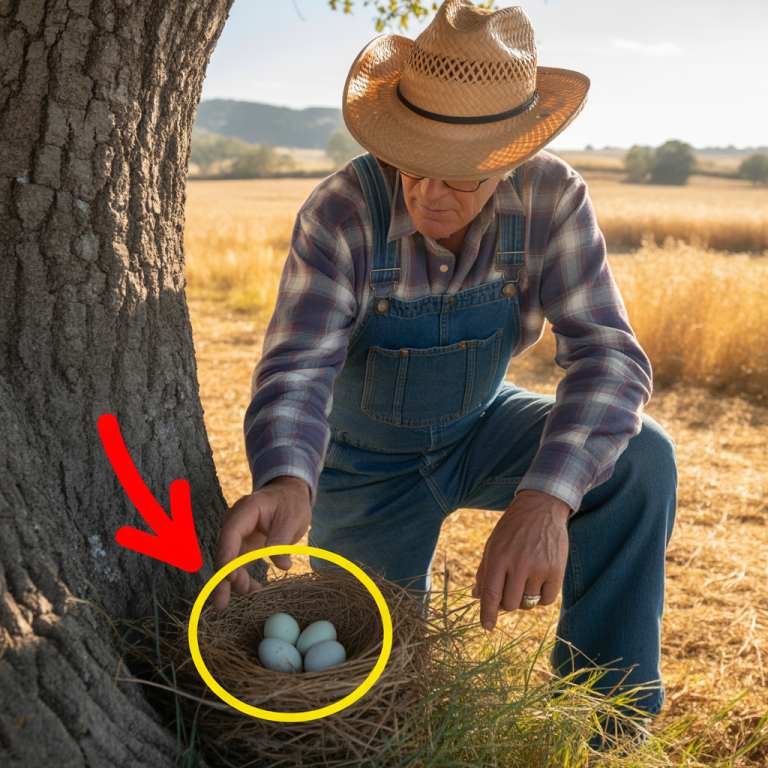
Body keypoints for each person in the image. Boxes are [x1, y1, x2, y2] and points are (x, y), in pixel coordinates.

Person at [213, 0, 677, 722]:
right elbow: (298, 366)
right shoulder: (342, 212)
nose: (429, 192)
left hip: (481, 427)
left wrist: (546, 499)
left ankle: (606, 723)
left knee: (643, 459)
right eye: (415, 162)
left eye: (461, 174)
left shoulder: (553, 198)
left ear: (512, 158)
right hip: (363, 468)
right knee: (373, 692)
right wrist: (286, 478)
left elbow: (610, 358)